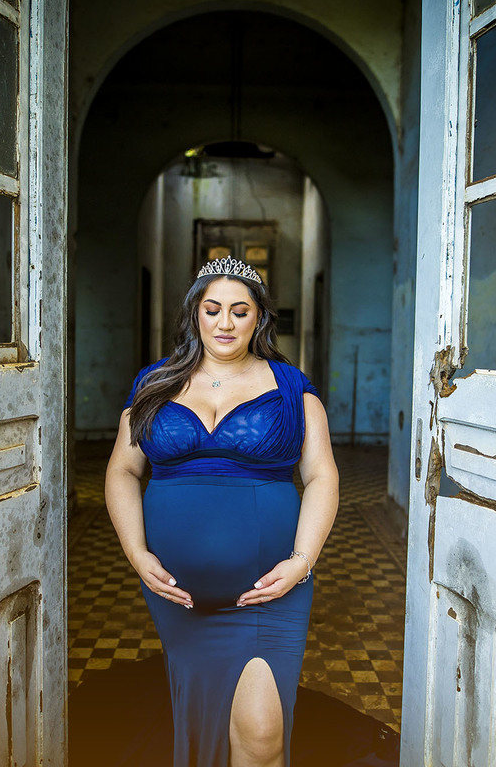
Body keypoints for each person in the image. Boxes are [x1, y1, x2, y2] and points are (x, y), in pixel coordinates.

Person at [105, 256, 339, 767]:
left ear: (260, 318)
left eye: (240, 310)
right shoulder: (154, 384)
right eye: (212, 310)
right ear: (196, 313)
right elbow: (123, 469)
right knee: (202, 718)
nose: (225, 323)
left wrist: (302, 561)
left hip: (269, 592)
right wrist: (136, 551)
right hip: (179, 597)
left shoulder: (291, 388)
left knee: (262, 734)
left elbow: (322, 476)